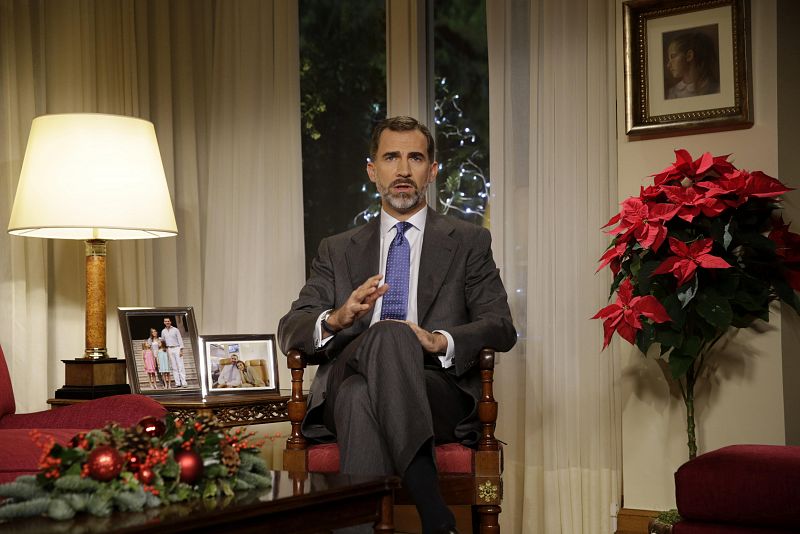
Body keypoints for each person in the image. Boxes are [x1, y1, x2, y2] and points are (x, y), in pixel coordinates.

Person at [278, 116, 516, 534]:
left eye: (415, 158)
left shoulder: (467, 241)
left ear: (432, 170)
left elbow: (501, 327)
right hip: (350, 367)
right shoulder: (336, 250)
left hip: (433, 391)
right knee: (384, 336)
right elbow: (290, 328)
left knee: (359, 394)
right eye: (391, 157)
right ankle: (433, 510)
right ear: (373, 170)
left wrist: (439, 339)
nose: (403, 170)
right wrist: (337, 318)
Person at [665, 30, 720, 99]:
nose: (668, 65)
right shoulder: (672, 93)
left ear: (689, 56)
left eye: (673, 56)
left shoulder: (715, 88)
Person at [161, 317, 187, 388]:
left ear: (170, 322)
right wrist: (164, 349)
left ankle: (184, 382)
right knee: (174, 367)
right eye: (166, 321)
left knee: (180, 365)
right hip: (169, 349)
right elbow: (163, 341)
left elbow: (180, 339)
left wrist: (181, 350)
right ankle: (177, 383)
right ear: (164, 322)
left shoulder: (175, 330)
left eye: (168, 321)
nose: (167, 322)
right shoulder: (163, 331)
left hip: (177, 348)